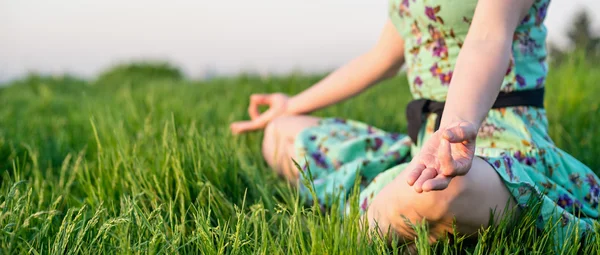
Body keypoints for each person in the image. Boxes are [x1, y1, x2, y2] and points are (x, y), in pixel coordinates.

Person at [230, 0, 598, 248]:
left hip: (499, 141)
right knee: (280, 132)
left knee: (445, 191)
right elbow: (381, 59)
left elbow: (488, 37)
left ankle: (360, 231)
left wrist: (453, 128)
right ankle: (404, 223)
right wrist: (289, 104)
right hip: (425, 146)